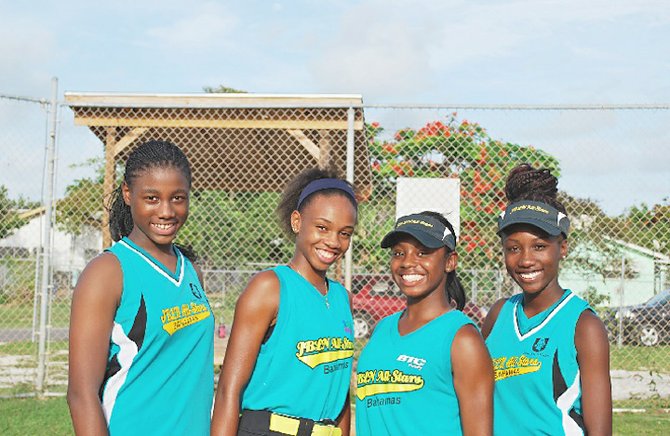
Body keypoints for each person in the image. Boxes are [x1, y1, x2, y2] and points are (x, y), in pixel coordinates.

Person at [67, 140, 214, 435]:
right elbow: (81, 395)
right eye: (151, 198)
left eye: (178, 198)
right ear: (127, 194)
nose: (166, 211)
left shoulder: (191, 270)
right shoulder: (107, 272)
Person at [211, 167, 358, 436]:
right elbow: (228, 390)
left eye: (345, 233)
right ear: (297, 222)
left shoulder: (342, 298)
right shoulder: (270, 287)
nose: (333, 241)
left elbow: (340, 395)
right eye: (322, 227)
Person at [481, 164, 612, 435]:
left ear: (562, 247)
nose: (526, 259)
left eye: (539, 246)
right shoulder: (498, 314)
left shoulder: (583, 325)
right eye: (513, 248)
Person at [355, 211, 494, 436]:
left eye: (423, 252)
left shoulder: (461, 339)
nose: (408, 262)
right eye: (399, 252)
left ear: (450, 262)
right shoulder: (383, 328)